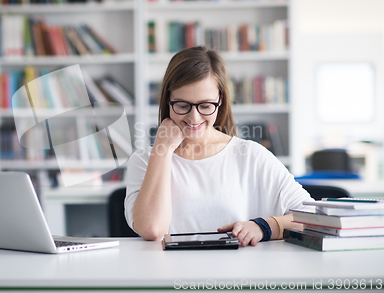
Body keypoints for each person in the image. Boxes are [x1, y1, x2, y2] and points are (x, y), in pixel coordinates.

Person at [124, 46, 312, 246]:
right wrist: (162, 150)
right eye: (181, 105)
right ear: (167, 100)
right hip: (170, 275)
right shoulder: (144, 160)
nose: (193, 117)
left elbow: (312, 218)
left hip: (236, 275)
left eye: (205, 105)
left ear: (220, 99)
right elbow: (152, 229)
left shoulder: (250, 156)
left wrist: (263, 227)